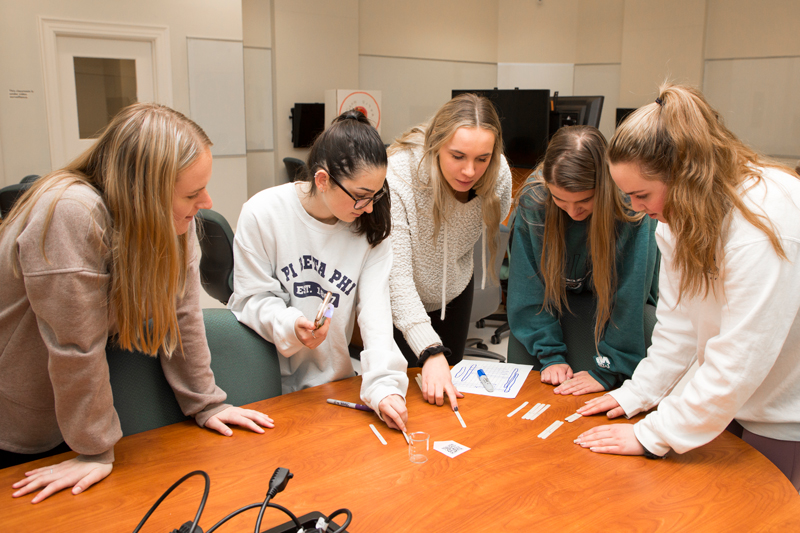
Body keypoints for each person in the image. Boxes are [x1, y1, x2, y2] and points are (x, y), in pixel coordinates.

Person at [0, 103, 274, 503]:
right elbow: (75, 345)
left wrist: (207, 404)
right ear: (143, 192)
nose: (208, 202)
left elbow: (182, 316)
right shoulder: (70, 212)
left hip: (74, 416)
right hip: (21, 410)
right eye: (193, 193)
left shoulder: (168, 219)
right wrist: (94, 448)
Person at [575, 83, 800, 491]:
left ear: (685, 174)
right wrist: (638, 393)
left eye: (641, 195)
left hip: (784, 417)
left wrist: (650, 435)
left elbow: (740, 357)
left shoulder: (765, 223)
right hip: (730, 405)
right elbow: (678, 325)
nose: (637, 209)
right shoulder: (677, 216)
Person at [228, 110, 408, 432]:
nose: (369, 207)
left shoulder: (370, 227)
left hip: (333, 384)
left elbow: (376, 316)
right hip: (266, 391)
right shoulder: (263, 213)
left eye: (376, 194)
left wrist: (384, 388)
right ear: (322, 180)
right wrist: (288, 324)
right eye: (361, 197)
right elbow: (249, 299)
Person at [507, 125, 659, 396]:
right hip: (552, 308)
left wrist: (608, 369)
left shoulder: (631, 207)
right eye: (560, 200)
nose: (573, 212)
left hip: (616, 320)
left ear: (604, 186)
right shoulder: (534, 199)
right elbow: (527, 289)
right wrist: (551, 355)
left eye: (584, 201)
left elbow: (630, 296)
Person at [386, 93, 513, 409]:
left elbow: (481, 227)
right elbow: (396, 276)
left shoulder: (497, 175)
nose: (470, 171)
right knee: (405, 399)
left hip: (454, 291)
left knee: (447, 395)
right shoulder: (399, 175)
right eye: (457, 156)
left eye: (482, 158)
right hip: (398, 297)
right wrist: (429, 349)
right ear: (435, 145)